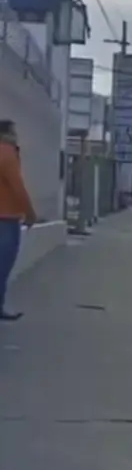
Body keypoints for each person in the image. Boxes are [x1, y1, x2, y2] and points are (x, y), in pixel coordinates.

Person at [0, 119, 37, 321]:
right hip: (5, 219)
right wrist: (30, 213)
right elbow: (17, 187)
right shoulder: (7, 153)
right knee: (2, 267)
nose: (16, 137)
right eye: (13, 133)